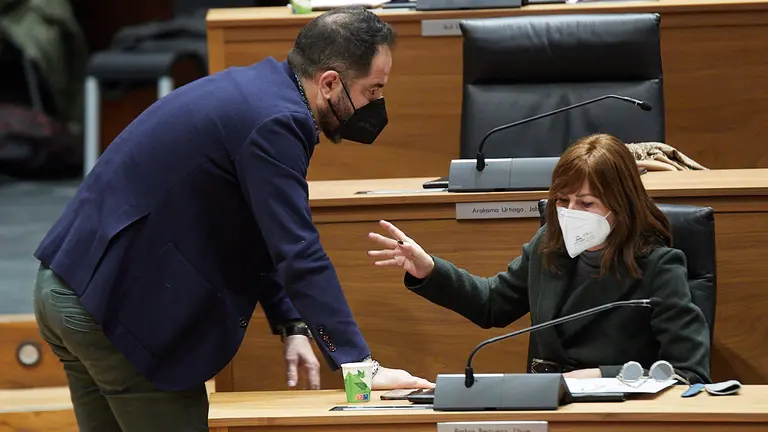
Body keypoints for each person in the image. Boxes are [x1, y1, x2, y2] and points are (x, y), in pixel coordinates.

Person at [32, 6, 432, 432]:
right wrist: (358, 365)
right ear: (330, 82)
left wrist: (291, 322)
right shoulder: (278, 121)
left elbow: (260, 226)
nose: (376, 105)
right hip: (114, 310)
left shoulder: (258, 91)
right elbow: (299, 251)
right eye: (373, 90)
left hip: (65, 287)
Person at [367, 134, 712, 384]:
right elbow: (492, 304)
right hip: (547, 408)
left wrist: (603, 376)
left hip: (617, 416)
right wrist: (429, 269)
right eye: (562, 200)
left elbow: (688, 371)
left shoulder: (657, 266)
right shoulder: (549, 244)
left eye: (586, 203)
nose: (570, 213)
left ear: (621, 205)